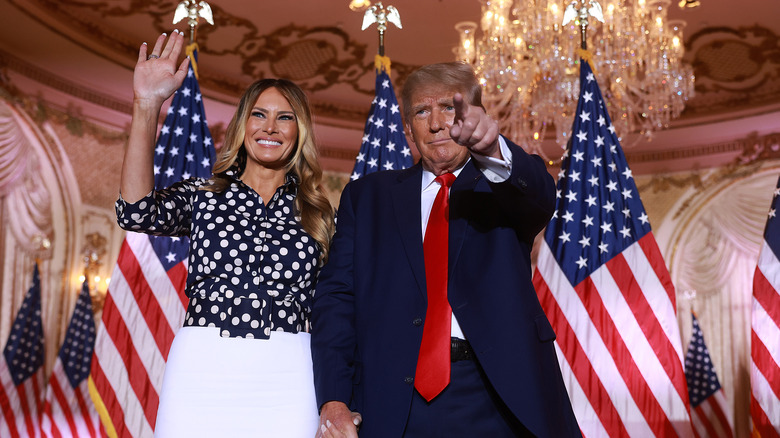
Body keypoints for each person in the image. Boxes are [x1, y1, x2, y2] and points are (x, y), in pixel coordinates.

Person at [311, 62, 581, 437]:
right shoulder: (367, 197)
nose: (436, 123)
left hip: (499, 395)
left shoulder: (504, 182)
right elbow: (336, 300)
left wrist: (492, 148)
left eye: (449, 108)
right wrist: (334, 398)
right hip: (394, 399)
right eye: (422, 111)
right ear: (408, 128)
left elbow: (539, 196)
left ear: (475, 116)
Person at [116, 30, 334, 437]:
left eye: (285, 117)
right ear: (243, 123)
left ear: (299, 129)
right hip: (202, 366)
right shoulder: (205, 196)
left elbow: (340, 308)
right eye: (259, 114)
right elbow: (135, 211)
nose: (270, 127)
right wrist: (146, 105)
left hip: (289, 374)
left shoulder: (321, 214)